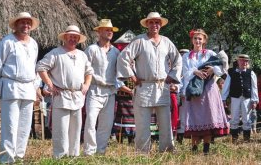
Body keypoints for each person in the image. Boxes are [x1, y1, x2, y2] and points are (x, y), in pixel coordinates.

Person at [117, 12, 182, 153]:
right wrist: (132, 77)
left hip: (162, 86)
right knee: (142, 122)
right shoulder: (139, 41)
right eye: (151, 22)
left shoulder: (166, 42)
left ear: (160, 25)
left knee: (165, 121)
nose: (154, 25)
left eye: (157, 22)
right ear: (147, 24)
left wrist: (171, 76)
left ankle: (167, 149)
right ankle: (142, 151)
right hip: (144, 85)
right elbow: (123, 58)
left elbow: (178, 59)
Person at [36, 25, 93, 158]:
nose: (73, 39)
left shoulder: (82, 55)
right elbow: (40, 67)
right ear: (65, 37)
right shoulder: (55, 53)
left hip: (77, 96)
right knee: (60, 128)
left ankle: (74, 155)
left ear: (79, 39)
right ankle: (60, 156)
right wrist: (50, 85)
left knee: (76, 127)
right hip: (61, 95)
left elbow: (89, 72)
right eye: (71, 36)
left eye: (75, 37)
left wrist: (86, 85)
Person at [0, 12, 40, 163]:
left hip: (28, 87)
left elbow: (33, 66)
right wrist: (0, 83)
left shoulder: (33, 43)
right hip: (11, 85)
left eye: (28, 23)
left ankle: (19, 155)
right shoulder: (7, 42)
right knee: (10, 124)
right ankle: (6, 158)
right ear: (16, 24)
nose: (25, 25)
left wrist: (35, 87)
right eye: (22, 22)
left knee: (25, 125)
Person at [182, 29, 229, 154]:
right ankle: (194, 148)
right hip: (194, 90)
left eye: (200, 39)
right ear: (192, 40)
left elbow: (221, 69)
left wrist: (212, 69)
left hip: (208, 90)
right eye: (195, 38)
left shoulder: (209, 53)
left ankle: (206, 149)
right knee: (194, 118)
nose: (197, 41)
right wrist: (194, 71)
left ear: (204, 41)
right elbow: (184, 73)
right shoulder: (187, 56)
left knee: (208, 116)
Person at [83, 19, 120, 155]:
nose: (110, 32)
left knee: (106, 123)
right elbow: (84, 69)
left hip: (110, 91)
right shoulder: (91, 49)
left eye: (111, 30)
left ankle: (101, 151)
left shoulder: (116, 52)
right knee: (91, 121)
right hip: (94, 88)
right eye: (106, 29)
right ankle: (89, 151)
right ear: (99, 31)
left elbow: (120, 71)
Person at [222, 54, 258, 142]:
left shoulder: (251, 72)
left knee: (247, 119)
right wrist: (223, 98)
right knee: (234, 118)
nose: (244, 62)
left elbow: (254, 87)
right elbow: (226, 86)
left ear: (248, 62)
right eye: (241, 60)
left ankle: (246, 139)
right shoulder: (231, 72)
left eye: (246, 61)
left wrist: (254, 100)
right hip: (235, 98)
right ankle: (234, 139)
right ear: (238, 61)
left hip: (247, 98)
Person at [176, 49, 189, 144]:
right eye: (181, 55)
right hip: (177, 94)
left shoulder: (189, 67)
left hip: (187, 95)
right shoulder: (177, 68)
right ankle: (178, 137)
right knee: (178, 116)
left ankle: (183, 135)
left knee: (185, 116)